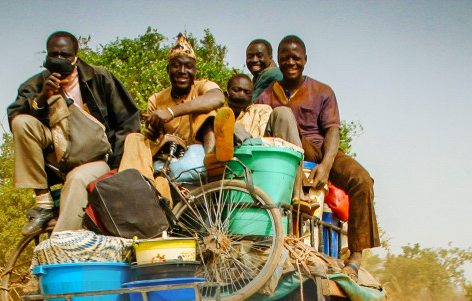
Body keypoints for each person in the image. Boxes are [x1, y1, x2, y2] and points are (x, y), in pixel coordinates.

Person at [255, 35, 379, 278]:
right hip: (291, 153)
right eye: (285, 58)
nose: (291, 62)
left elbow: (332, 130)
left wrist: (326, 164)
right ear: (278, 62)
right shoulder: (266, 96)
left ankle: (354, 257)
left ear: (305, 60)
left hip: (323, 151)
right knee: (283, 118)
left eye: (296, 58)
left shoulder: (322, 91)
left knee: (362, 180)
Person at [7, 31, 140, 235]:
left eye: (65, 55)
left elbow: (127, 120)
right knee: (21, 122)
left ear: (75, 56)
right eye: (54, 55)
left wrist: (118, 167)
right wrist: (42, 98)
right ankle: (43, 202)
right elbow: (16, 120)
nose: (59, 59)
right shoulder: (33, 85)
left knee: (77, 180)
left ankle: (60, 246)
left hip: (96, 160)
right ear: (47, 56)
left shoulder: (99, 78)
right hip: (57, 156)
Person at [119, 34, 226, 187]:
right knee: (135, 139)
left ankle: (213, 157)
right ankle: (133, 184)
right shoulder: (156, 99)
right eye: (176, 66)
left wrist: (171, 112)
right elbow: (155, 139)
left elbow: (217, 98)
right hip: (169, 155)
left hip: (199, 151)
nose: (182, 71)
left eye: (188, 66)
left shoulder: (202, 86)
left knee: (206, 109)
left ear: (195, 71)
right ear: (168, 69)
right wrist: (154, 133)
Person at [224, 73, 302, 148]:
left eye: (247, 92)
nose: (241, 94)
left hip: (262, 153)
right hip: (232, 157)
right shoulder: (218, 115)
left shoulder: (261, 110)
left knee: (283, 112)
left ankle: (294, 159)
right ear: (226, 94)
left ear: (252, 97)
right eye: (237, 90)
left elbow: (265, 138)